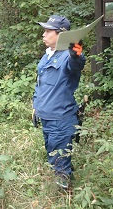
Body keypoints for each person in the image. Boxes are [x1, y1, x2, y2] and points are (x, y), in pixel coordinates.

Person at [32, 15, 86, 189]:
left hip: (60, 120)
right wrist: (36, 107)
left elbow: (75, 64)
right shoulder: (47, 56)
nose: (44, 34)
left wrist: (76, 55)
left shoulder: (68, 57)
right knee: (53, 155)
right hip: (47, 117)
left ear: (61, 35)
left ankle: (64, 196)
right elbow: (41, 84)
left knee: (60, 163)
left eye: (48, 31)